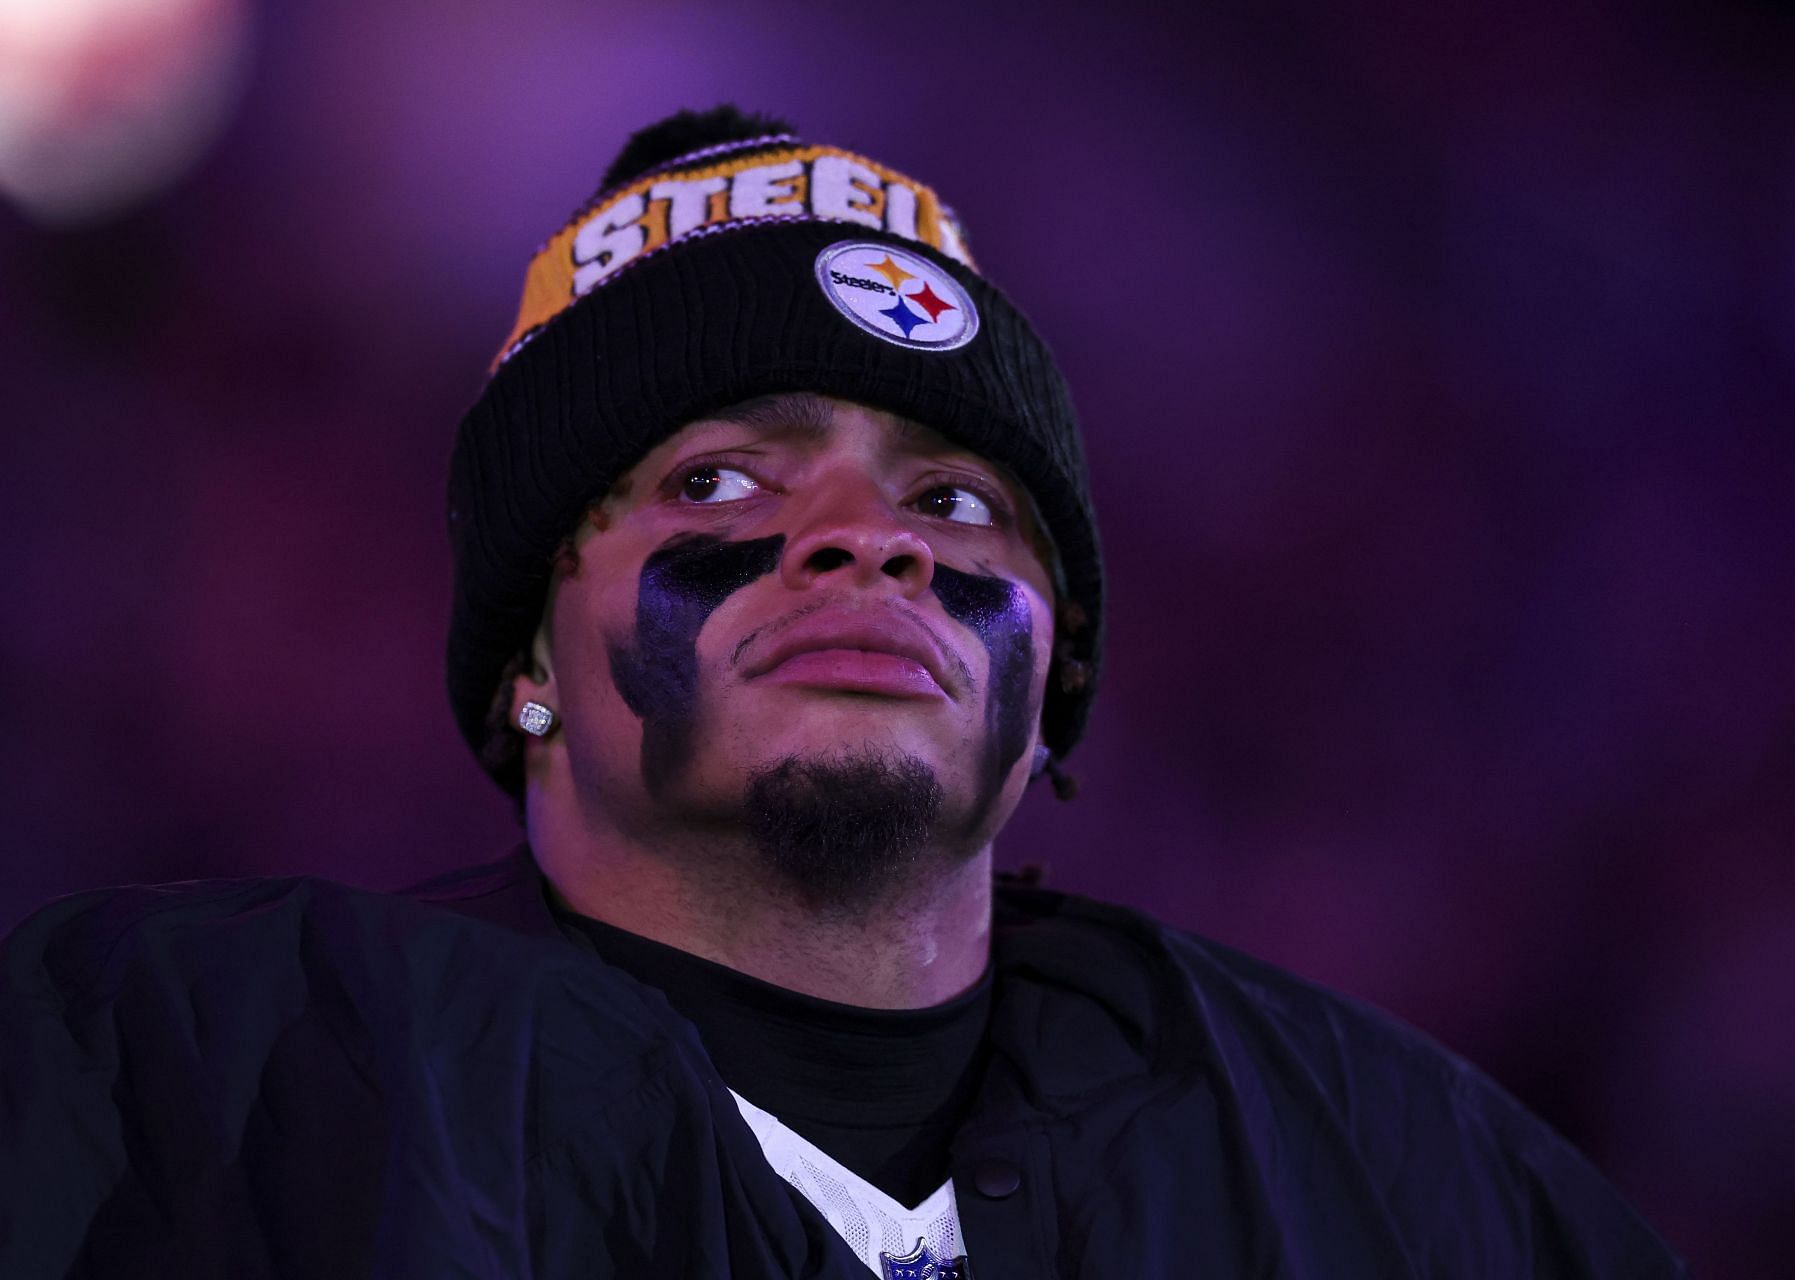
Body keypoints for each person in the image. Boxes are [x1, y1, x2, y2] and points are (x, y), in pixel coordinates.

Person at [0, 107, 1688, 1279]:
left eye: (956, 503)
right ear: (526, 655)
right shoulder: (205, 1073)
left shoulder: (1380, 1169)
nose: (864, 542)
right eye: (724, 485)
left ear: (1058, 687)